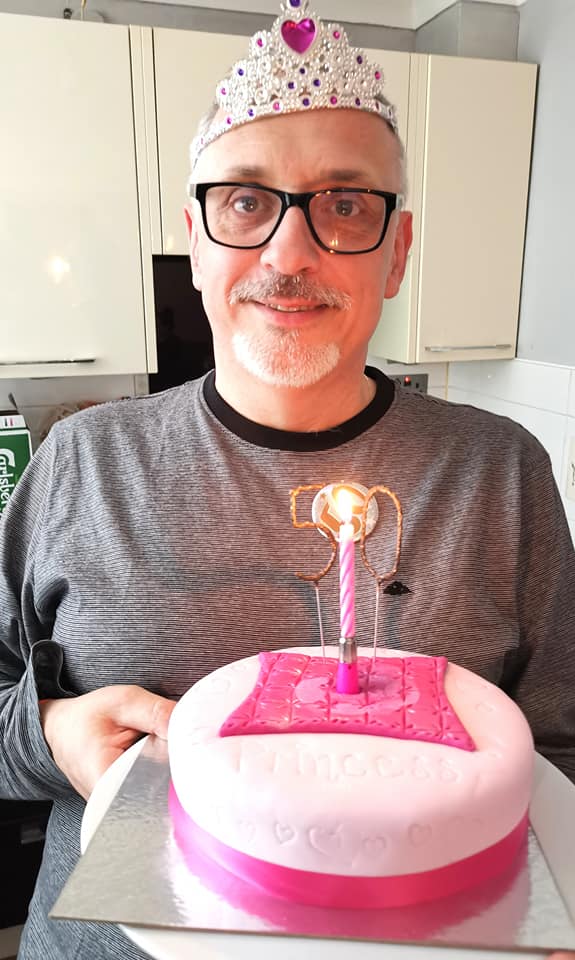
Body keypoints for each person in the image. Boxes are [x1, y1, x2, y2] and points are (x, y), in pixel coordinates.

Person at [1, 2, 574, 958]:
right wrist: (48, 732)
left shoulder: (498, 473)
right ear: (195, 241)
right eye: (245, 201)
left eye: (345, 204)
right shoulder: (82, 463)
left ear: (396, 252)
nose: (288, 254)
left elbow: (558, 747)